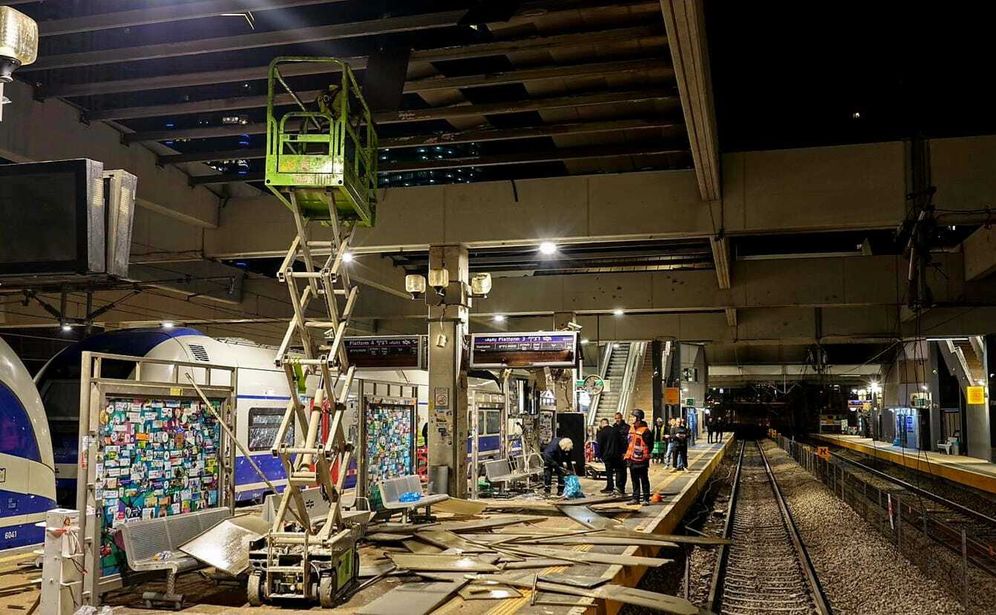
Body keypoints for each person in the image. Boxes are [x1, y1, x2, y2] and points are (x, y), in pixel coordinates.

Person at [625, 409, 653, 504]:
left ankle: (645, 498)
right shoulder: (631, 428)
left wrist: (645, 455)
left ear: (638, 418)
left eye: (634, 416)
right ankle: (635, 498)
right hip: (632, 460)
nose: (632, 418)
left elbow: (650, 445)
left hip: (642, 460)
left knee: (644, 479)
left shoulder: (646, 431)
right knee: (634, 480)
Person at [600, 413, 628, 494]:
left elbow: (625, 441)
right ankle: (614, 487)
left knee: (621, 471)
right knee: (615, 471)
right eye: (616, 418)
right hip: (614, 453)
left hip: (621, 453)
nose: (617, 420)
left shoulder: (626, 427)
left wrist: (624, 452)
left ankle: (620, 487)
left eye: (618, 418)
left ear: (621, 418)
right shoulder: (614, 428)